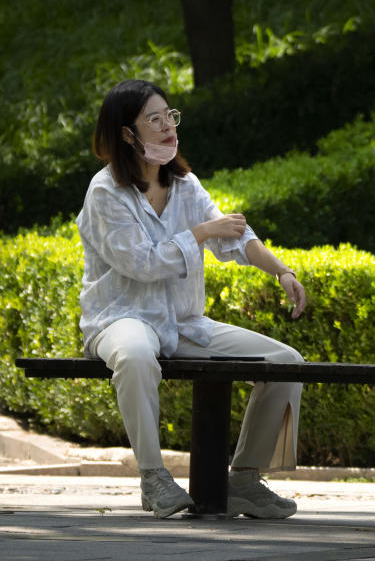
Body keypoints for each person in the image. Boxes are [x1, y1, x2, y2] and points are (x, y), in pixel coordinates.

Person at [77, 79, 307, 519]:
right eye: (154, 119)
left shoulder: (185, 185)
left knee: (285, 362)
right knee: (137, 356)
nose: (168, 127)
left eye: (171, 116)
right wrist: (200, 234)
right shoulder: (105, 192)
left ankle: (242, 479)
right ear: (127, 133)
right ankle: (153, 478)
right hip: (120, 319)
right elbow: (142, 263)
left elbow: (236, 235)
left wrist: (282, 271)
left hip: (182, 323)